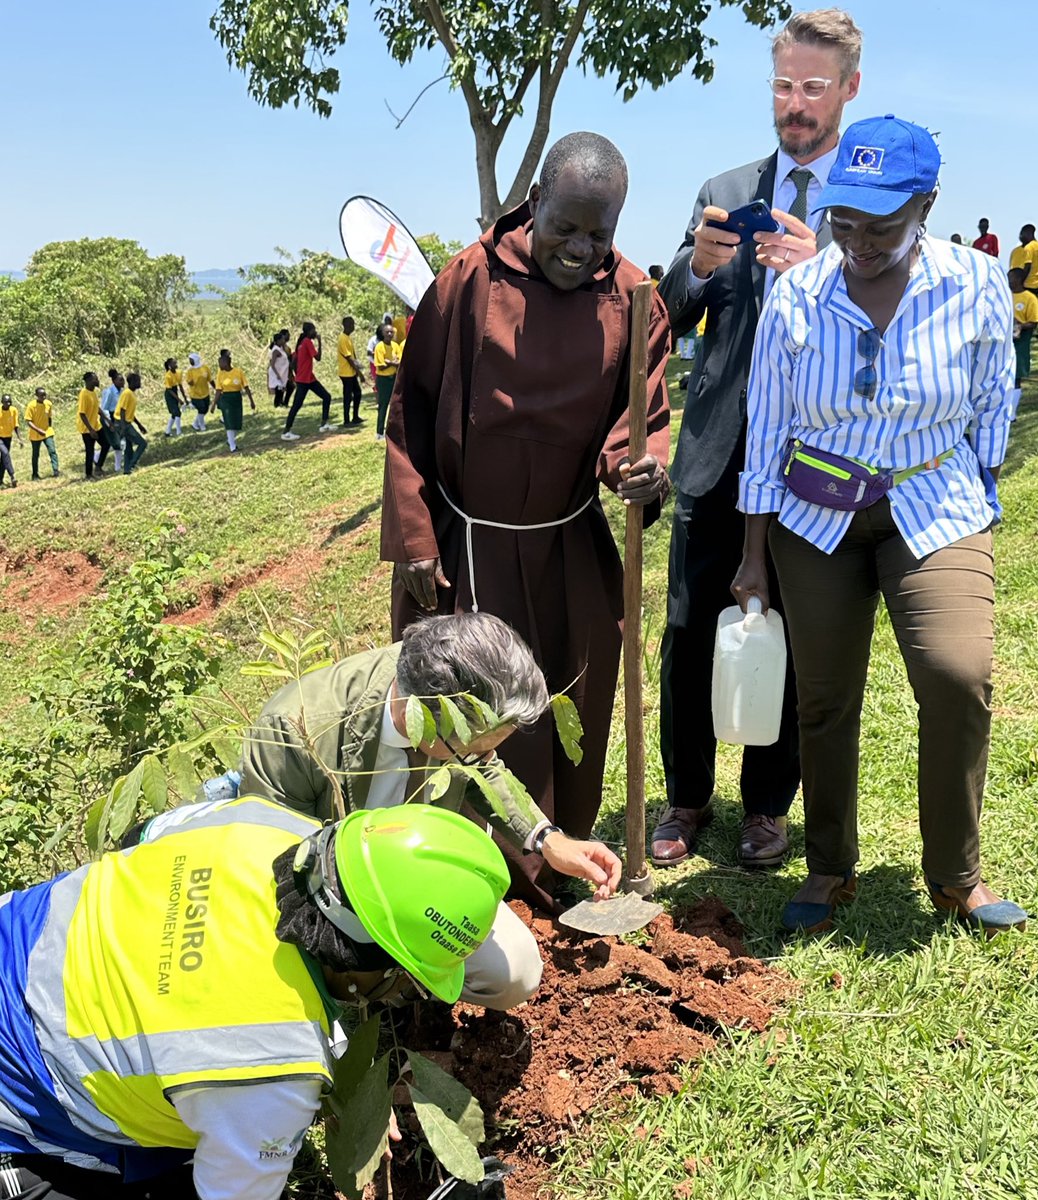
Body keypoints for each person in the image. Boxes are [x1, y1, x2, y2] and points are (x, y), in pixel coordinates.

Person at [733, 114, 1026, 936]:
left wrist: (982, 490)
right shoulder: (796, 294)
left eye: (882, 225)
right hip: (814, 519)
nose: (858, 241)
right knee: (823, 700)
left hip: (934, 507)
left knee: (957, 675)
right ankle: (828, 867)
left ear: (926, 205)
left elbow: (991, 398)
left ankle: (956, 875)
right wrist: (753, 555)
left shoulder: (973, 283)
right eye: (844, 220)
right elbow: (765, 428)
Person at [380, 132, 671, 912]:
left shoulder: (636, 298)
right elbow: (408, 412)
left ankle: (565, 862)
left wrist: (639, 469)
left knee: (570, 695)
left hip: (568, 537)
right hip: (468, 537)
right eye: (565, 227)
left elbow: (640, 421)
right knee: (467, 708)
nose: (580, 249)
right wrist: (413, 535)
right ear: (534, 202)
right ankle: (469, 872)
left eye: (598, 234)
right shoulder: (466, 282)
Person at [0, 796, 530, 1200]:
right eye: (403, 985)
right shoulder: (271, 1063)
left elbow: (146, 834)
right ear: (360, 969)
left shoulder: (265, 824)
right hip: (23, 1107)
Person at [654, 8, 862, 871]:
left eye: (813, 87)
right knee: (690, 625)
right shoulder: (727, 184)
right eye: (782, 85)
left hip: (814, 456)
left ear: (849, 88)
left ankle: (769, 807)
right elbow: (668, 308)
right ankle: (687, 796)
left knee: (793, 627)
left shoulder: (867, 198)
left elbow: (894, 322)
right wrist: (697, 264)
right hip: (717, 449)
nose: (795, 104)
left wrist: (827, 267)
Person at [241, 611, 623, 934]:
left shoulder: (445, 702)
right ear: (424, 715)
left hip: (414, 882)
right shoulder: (294, 732)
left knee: (515, 974)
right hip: (329, 902)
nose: (486, 759)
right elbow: (278, 869)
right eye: (476, 748)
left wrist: (548, 841)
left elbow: (482, 770)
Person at [282, 321, 336, 440]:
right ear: (308, 331)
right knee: (297, 405)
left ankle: (324, 424)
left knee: (326, 396)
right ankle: (286, 431)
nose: (315, 332)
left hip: (308, 378)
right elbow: (318, 358)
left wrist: (296, 373)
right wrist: (320, 342)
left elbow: (294, 362)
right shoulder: (307, 342)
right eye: (313, 330)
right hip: (304, 380)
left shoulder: (301, 343)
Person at [211, 348, 256, 453]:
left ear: (227, 362)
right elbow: (218, 390)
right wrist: (213, 404)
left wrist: (251, 401)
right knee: (229, 423)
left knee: (237, 422)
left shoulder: (238, 372)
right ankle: (232, 445)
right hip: (226, 399)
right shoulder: (220, 374)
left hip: (236, 398)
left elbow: (246, 387)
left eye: (221, 363)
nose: (219, 365)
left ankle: (230, 440)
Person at [372, 319, 403, 441]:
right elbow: (380, 365)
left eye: (391, 332)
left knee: (396, 404)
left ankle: (394, 430)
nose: (390, 334)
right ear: (382, 334)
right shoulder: (380, 347)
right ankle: (379, 432)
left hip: (394, 378)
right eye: (387, 332)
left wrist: (389, 362)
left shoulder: (395, 346)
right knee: (383, 405)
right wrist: (392, 363)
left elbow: (400, 362)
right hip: (383, 379)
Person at [1009, 267, 1038, 386]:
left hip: (1021, 337)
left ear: (1018, 279)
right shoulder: (1006, 295)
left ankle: (1016, 391)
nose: (1008, 281)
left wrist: (1020, 326)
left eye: (1010, 278)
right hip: (1006, 336)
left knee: (1017, 369)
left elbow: (1034, 321)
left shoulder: (1030, 298)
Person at [76, 372, 110, 480]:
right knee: (90, 451)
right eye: (95, 379)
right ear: (89, 381)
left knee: (106, 444)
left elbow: (97, 408)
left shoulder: (93, 393)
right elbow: (82, 413)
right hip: (87, 429)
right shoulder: (84, 394)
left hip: (97, 426)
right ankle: (88, 475)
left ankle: (98, 467)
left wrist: (108, 420)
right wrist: (91, 430)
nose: (97, 381)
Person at [115, 372, 148, 474]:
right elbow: (123, 410)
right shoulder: (127, 393)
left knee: (128, 448)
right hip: (122, 423)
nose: (139, 382)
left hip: (125, 422)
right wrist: (124, 427)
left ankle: (127, 470)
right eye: (138, 380)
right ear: (132, 382)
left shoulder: (131, 394)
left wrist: (139, 424)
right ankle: (132, 464)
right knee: (142, 443)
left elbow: (130, 413)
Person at [337, 315, 367, 426]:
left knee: (357, 393)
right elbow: (349, 358)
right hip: (346, 373)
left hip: (351, 372)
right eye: (351, 324)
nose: (353, 326)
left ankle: (355, 417)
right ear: (345, 325)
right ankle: (346, 420)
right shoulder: (343, 338)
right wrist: (360, 374)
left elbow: (353, 357)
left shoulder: (348, 338)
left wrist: (358, 366)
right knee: (348, 396)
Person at [25, 386, 60, 480]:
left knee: (52, 450)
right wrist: (38, 430)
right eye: (41, 395)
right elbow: (28, 421)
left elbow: (49, 417)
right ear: (36, 396)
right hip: (35, 434)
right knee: (36, 454)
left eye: (45, 395)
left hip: (47, 431)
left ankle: (56, 470)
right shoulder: (31, 406)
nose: (43, 397)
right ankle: (35, 474)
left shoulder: (48, 404)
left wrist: (49, 428)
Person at [1009, 224, 1038, 296]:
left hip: (1027, 284)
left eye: (1022, 234)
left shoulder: (1029, 247)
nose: (1020, 237)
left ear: (1028, 233)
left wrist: (1020, 282)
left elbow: (1027, 266)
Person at [100, 371, 124, 472]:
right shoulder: (109, 392)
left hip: (117, 416)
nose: (123, 382)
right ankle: (117, 467)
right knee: (117, 444)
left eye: (123, 379)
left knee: (119, 442)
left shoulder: (121, 391)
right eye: (120, 380)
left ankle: (97, 456)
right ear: (114, 381)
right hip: (108, 418)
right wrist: (109, 423)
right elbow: (104, 408)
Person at [184, 352, 213, 432]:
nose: (190, 362)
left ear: (196, 360)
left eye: (191, 360)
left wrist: (216, 388)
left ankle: (195, 423)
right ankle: (202, 426)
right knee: (201, 409)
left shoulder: (205, 368)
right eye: (189, 360)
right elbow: (189, 382)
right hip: (195, 394)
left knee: (205, 409)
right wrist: (191, 382)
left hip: (205, 392)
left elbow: (210, 379)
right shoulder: (190, 371)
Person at [162, 358, 188, 437]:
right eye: (174, 363)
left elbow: (180, 386)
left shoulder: (178, 373)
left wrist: (185, 397)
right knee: (177, 413)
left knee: (174, 414)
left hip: (175, 391)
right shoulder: (168, 375)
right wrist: (179, 399)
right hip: (170, 394)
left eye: (176, 363)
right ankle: (178, 432)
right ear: (169, 366)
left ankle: (167, 431)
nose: (176, 365)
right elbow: (169, 390)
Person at [0, 393, 22, 488]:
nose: (8, 404)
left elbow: (16, 425)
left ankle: (0, 480)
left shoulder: (14, 410)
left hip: (8, 437)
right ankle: (12, 476)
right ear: (2, 402)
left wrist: (20, 438)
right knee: (5, 454)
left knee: (4, 460)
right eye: (6, 402)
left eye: (10, 402)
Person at [268, 329, 291, 407]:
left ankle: (280, 402)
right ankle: (277, 403)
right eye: (282, 339)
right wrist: (277, 374)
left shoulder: (281, 349)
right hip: (276, 372)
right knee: (279, 388)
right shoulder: (275, 351)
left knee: (282, 387)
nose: (284, 340)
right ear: (278, 340)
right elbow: (272, 363)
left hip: (282, 371)